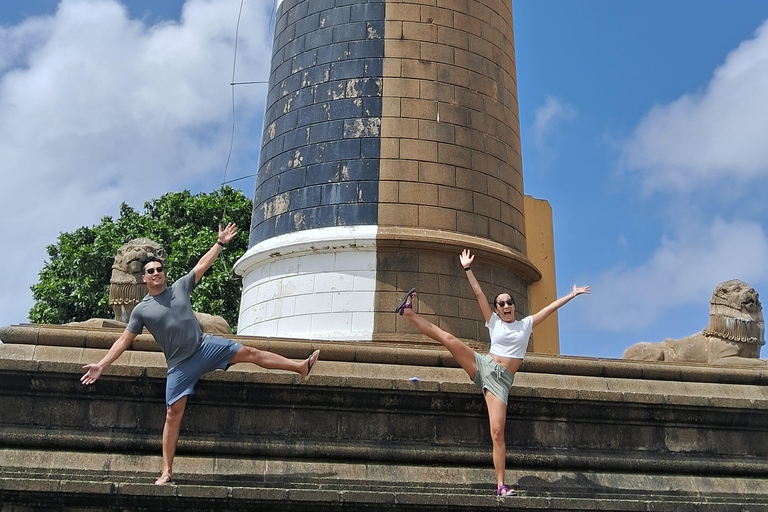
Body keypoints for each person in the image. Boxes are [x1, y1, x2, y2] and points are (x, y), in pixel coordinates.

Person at [81, 223, 320, 485]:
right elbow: (124, 341)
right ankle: (166, 471)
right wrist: (102, 365)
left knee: (250, 352)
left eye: (160, 269)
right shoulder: (142, 310)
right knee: (172, 414)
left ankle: (300, 367)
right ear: (144, 278)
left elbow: (202, 265)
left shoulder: (180, 287)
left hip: (205, 347)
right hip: (179, 367)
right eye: (151, 271)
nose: (157, 273)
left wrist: (220, 243)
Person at [395, 249, 589, 497]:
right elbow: (478, 294)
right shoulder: (493, 321)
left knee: (497, 433)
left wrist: (572, 295)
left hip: (500, 382)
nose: (506, 305)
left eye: (510, 302)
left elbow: (549, 309)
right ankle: (409, 312)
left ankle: (500, 485)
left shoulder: (525, 324)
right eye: (502, 303)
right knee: (449, 338)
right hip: (484, 365)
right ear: (496, 309)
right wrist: (467, 269)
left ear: (514, 307)